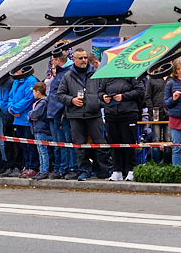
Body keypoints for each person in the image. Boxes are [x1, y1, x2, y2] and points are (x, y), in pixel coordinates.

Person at [57, 48, 108, 181]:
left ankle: (104, 170)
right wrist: (71, 100)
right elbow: (60, 94)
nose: (84, 60)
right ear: (74, 60)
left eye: (85, 57)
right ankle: (84, 171)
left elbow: (104, 91)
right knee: (80, 146)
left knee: (100, 144)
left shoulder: (96, 74)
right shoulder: (68, 76)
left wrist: (97, 103)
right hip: (76, 115)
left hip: (94, 114)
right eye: (80, 58)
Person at [100, 73, 145, 181]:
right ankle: (117, 170)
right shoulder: (106, 76)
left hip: (128, 113)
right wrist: (103, 97)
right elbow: (100, 91)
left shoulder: (132, 74)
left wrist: (123, 96)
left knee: (129, 142)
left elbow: (140, 90)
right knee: (114, 143)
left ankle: (130, 170)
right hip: (111, 114)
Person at [46, 51, 77, 178]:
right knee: (59, 144)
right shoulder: (59, 73)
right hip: (55, 113)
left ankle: (71, 168)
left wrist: (64, 112)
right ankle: (61, 167)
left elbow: (65, 94)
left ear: (58, 60)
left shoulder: (67, 73)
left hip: (62, 113)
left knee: (67, 143)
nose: (51, 62)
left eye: (53, 60)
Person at [6, 70, 38, 176]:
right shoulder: (16, 82)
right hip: (17, 120)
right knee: (23, 145)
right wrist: (11, 109)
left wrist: (15, 109)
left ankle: (33, 167)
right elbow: (10, 97)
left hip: (27, 120)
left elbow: (29, 99)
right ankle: (27, 166)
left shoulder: (31, 80)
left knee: (30, 146)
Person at [29, 82, 51, 180]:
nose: (33, 94)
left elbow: (34, 114)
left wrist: (30, 115)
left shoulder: (42, 103)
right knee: (40, 150)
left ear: (38, 92)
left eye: (34, 92)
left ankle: (44, 170)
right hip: (37, 128)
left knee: (43, 150)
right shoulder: (40, 102)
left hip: (41, 128)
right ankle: (42, 169)